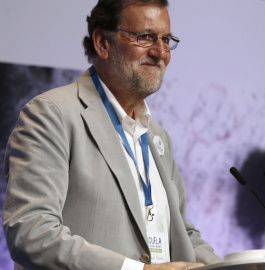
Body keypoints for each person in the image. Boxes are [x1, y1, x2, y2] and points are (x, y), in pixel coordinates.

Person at [2, 0, 223, 269]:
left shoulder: (158, 137)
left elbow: (183, 235)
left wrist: (234, 267)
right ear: (103, 43)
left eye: (166, 40)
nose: (160, 52)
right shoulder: (51, 115)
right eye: (145, 37)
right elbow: (32, 233)